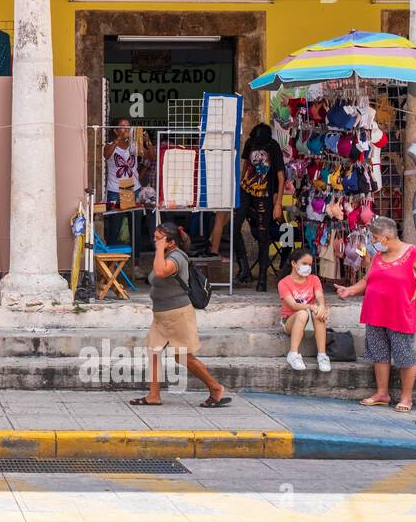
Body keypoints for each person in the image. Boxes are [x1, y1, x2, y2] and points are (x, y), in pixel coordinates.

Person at [334, 216, 416, 412]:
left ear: (386, 237)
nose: (373, 243)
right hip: (375, 312)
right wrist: (350, 290)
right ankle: (382, 393)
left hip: (400, 313)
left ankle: (406, 398)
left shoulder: (413, 253)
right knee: (379, 354)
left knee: (404, 356)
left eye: (375, 238)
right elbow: (367, 281)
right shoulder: (377, 257)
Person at [130, 222, 230, 408]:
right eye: (154, 237)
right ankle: (153, 395)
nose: (154, 241)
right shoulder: (166, 253)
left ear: (171, 242)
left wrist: (160, 249)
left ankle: (215, 388)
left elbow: (160, 272)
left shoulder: (176, 257)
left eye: (158, 238)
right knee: (153, 351)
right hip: (161, 316)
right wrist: (161, 248)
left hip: (177, 315)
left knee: (183, 357)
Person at [209, 122, 286, 290]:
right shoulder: (250, 143)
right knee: (233, 227)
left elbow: (281, 177)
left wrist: (278, 203)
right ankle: (244, 268)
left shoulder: (273, 147)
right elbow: (245, 167)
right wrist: (238, 190)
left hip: (264, 194)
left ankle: (263, 279)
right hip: (246, 191)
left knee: (263, 235)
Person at [101, 116, 154, 248]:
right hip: (116, 190)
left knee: (135, 227)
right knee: (114, 228)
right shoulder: (110, 146)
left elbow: (151, 157)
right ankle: (111, 261)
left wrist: (148, 142)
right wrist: (119, 139)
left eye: (128, 126)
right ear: (115, 130)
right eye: (123, 126)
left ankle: (135, 262)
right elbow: (106, 155)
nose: (127, 129)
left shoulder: (134, 146)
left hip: (130, 189)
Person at [278, 247, 330, 371]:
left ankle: (322, 356)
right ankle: (293, 354)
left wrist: (322, 306)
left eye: (310, 264)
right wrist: (312, 307)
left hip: (311, 320)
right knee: (302, 313)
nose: (308, 267)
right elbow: (293, 306)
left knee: (318, 312)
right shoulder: (284, 283)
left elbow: (319, 295)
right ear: (294, 263)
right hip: (290, 321)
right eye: (304, 263)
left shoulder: (314, 279)